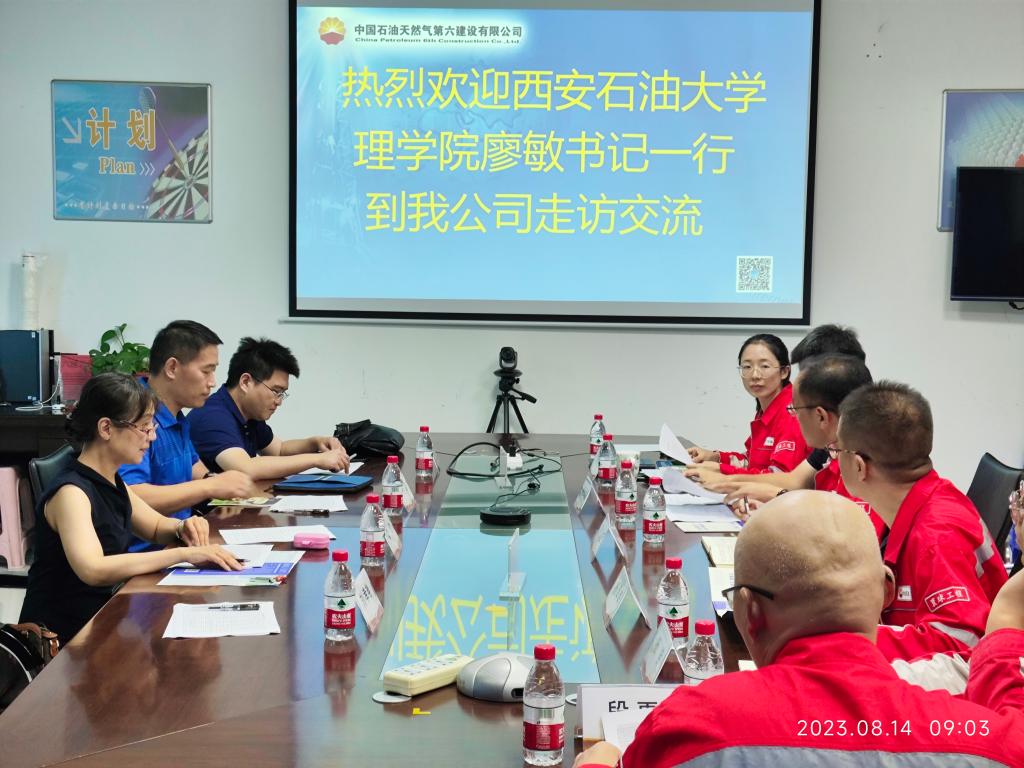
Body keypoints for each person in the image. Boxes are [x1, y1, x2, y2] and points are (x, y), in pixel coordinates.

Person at [572, 492, 1024, 768]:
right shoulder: (987, 742)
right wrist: (1004, 635)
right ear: (885, 592)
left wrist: (598, 762)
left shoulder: (692, 726)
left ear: (749, 611)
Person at [19, 374, 243, 647]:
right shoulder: (71, 493)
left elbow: (156, 527)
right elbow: (94, 568)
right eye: (144, 427)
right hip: (59, 641)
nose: (152, 436)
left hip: (100, 621)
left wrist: (184, 527)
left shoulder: (112, 480)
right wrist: (183, 553)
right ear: (106, 428)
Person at [836, 381, 1007, 682]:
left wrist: (852, 640)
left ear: (859, 466)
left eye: (836, 450)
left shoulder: (936, 535)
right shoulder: (923, 501)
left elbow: (961, 647)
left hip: (973, 686)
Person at [708, 355, 886, 540]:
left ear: (821, 416)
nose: (793, 416)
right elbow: (824, 521)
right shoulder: (834, 455)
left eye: (795, 409)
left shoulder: (863, 467)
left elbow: (847, 544)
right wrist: (777, 514)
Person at [120, 320, 257, 551]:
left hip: (181, 542)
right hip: (148, 556)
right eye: (206, 371)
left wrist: (220, 483)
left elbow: (193, 467)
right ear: (172, 368)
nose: (213, 382)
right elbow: (131, 496)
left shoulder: (176, 415)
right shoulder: (135, 416)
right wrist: (210, 487)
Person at [186, 337, 350, 479]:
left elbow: (279, 450)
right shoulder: (212, 416)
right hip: (208, 506)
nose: (279, 401)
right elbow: (246, 469)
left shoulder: (248, 413)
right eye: (276, 391)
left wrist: (315, 443)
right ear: (245, 382)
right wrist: (317, 460)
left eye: (282, 393)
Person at [686, 334, 808, 480]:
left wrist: (720, 470)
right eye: (747, 367)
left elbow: (780, 477)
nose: (755, 375)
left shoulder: (793, 412)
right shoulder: (767, 407)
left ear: (784, 372)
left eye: (764, 366)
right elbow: (751, 462)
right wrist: (715, 457)